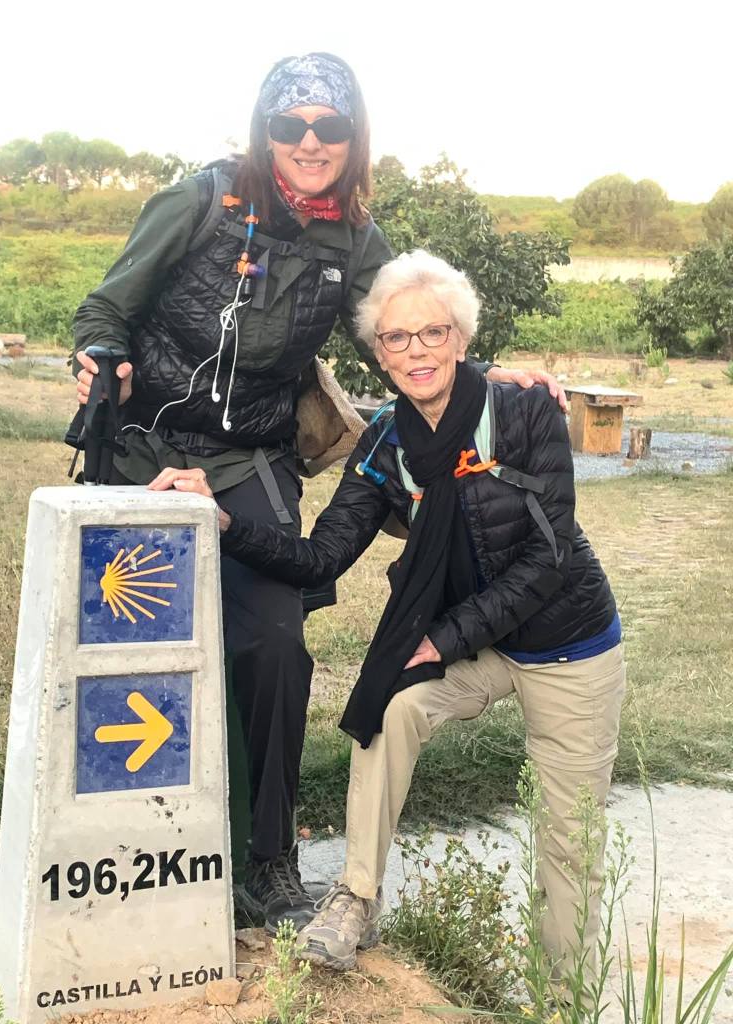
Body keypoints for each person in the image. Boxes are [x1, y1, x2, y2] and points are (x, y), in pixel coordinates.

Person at [72, 54, 565, 936]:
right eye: (290, 124)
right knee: (130, 642)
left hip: (250, 459)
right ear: (265, 131)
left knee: (273, 642)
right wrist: (101, 357)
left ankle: (268, 861)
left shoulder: (352, 241)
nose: (309, 142)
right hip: (145, 450)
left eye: (329, 126)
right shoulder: (202, 200)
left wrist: (486, 373)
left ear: (352, 137)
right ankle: (117, 846)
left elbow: (409, 323)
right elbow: (106, 307)